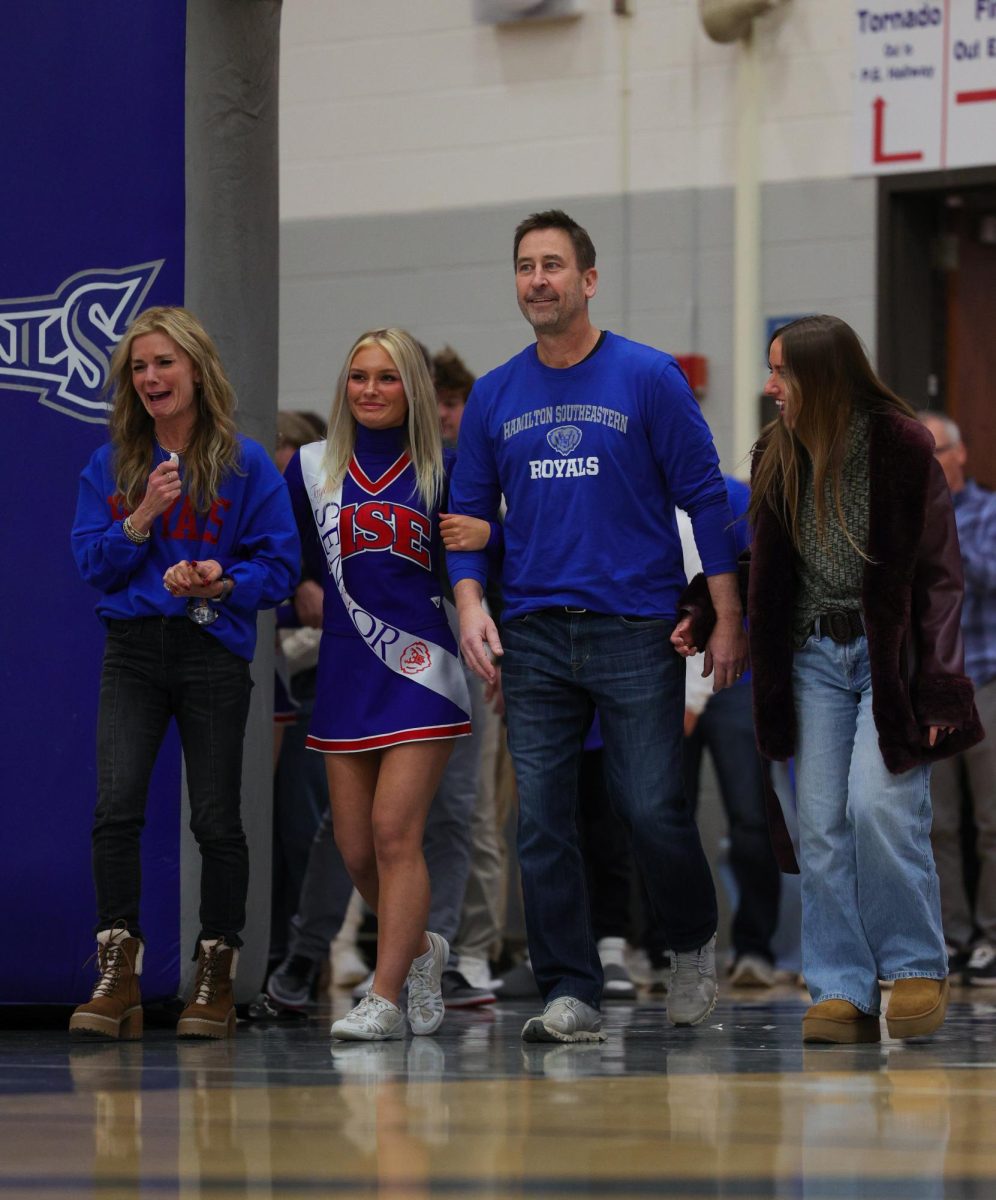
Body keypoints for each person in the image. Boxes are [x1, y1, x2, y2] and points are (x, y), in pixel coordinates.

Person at [448, 209, 746, 1043]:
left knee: (650, 807)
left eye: (553, 264)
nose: (537, 279)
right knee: (540, 819)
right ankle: (570, 987)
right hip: (535, 632)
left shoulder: (649, 378)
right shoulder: (495, 395)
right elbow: (467, 519)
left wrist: (727, 617)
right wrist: (472, 604)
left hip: (635, 627)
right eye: (524, 266)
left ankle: (689, 941)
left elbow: (709, 505)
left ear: (588, 278)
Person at [674, 315, 984, 1045]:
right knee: (819, 825)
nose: (768, 385)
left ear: (824, 373)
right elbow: (763, 565)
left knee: (879, 806)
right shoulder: (777, 451)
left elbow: (941, 579)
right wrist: (702, 607)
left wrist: (941, 682)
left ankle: (913, 968)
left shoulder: (905, 447)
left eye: (780, 370)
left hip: (888, 661)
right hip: (808, 660)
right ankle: (842, 986)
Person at [69, 306, 300, 1040]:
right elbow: (92, 564)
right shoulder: (111, 465)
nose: (150, 377)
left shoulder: (246, 463)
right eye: (139, 367)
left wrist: (219, 579)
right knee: (117, 808)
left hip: (211, 649)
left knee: (215, 818)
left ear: (197, 370)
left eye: (164, 363)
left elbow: (281, 567)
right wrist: (141, 516)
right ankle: (119, 971)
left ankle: (216, 972)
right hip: (134, 649)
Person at [282, 328, 493, 1042]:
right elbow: (296, 569)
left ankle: (386, 994)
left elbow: (475, 566)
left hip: (420, 670)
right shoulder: (312, 469)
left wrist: (491, 543)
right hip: (345, 669)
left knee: (395, 831)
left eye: (387, 378)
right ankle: (425, 949)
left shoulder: (448, 469)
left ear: (414, 389)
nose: (370, 390)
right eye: (359, 377)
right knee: (354, 849)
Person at [677, 480, 781, 987]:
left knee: (750, 815)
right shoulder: (632, 488)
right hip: (663, 665)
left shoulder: (737, 496)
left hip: (736, 672)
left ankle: (755, 948)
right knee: (664, 813)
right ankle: (666, 947)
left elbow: (753, 579)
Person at [917, 412, 996, 985]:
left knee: (992, 820)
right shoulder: (906, 518)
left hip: (986, 679)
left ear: (961, 454)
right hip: (929, 689)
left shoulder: (988, 513)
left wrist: (943, 537)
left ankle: (992, 935)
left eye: (936, 451)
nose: (929, 465)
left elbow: (986, 575)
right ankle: (953, 935)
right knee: (937, 823)